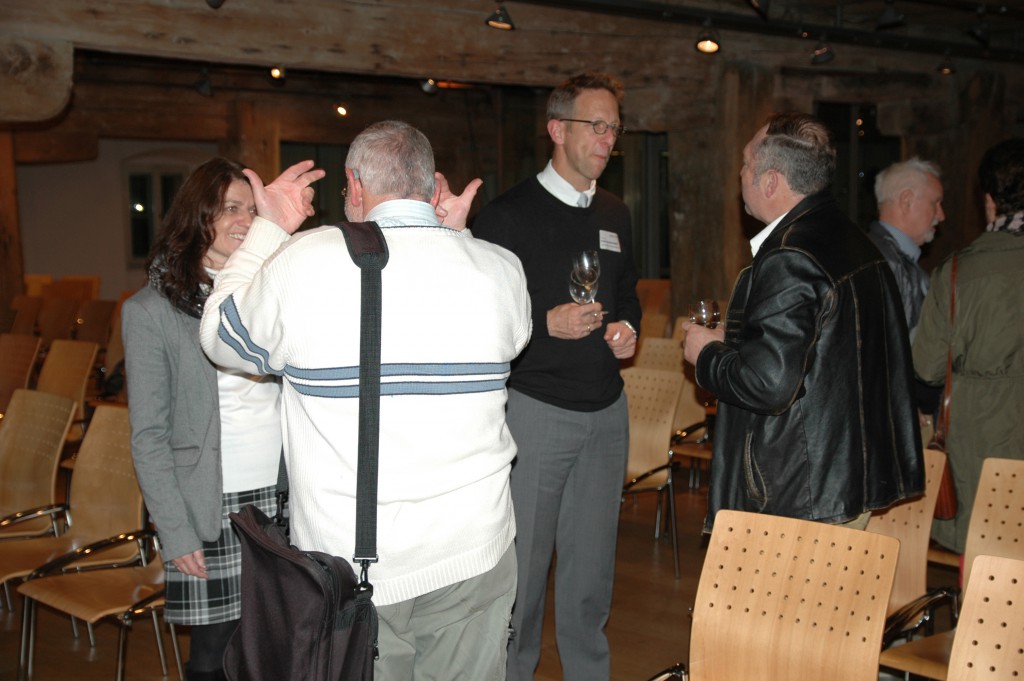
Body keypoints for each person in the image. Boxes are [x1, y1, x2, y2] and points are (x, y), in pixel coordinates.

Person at [199, 121, 532, 681]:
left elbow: (219, 338)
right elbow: (511, 336)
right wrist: (457, 238)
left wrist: (268, 230)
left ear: (353, 185)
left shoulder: (302, 262)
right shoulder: (501, 269)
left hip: (355, 571)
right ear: (432, 189)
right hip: (476, 550)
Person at [473, 72, 642, 681]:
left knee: (590, 576)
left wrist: (627, 329)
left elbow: (627, 297)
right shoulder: (505, 217)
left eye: (614, 128)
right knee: (522, 575)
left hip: (606, 412)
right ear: (556, 129)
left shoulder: (617, 213)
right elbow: (483, 322)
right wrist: (546, 324)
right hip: (535, 413)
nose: (607, 138)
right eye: (596, 125)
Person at [682, 112, 923, 534]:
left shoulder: (791, 257)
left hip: (797, 492)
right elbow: (824, 358)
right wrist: (738, 342)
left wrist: (707, 355)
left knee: (771, 604)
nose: (739, 174)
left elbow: (770, 384)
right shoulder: (855, 242)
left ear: (770, 181)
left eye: (745, 165)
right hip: (842, 481)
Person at [123, 158, 285, 681]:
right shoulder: (151, 310)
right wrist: (175, 531)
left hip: (282, 497)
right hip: (209, 504)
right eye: (230, 209)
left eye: (251, 209)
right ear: (198, 218)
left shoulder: (271, 292)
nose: (244, 220)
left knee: (279, 646)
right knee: (215, 658)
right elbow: (148, 436)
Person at [912, 137, 1024, 555]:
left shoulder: (956, 272)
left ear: (990, 201)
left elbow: (925, 368)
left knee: (986, 560)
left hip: (979, 446)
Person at [867, 157, 945, 341]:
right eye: (936, 203)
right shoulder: (886, 263)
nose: (941, 215)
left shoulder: (887, 256)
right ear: (907, 200)